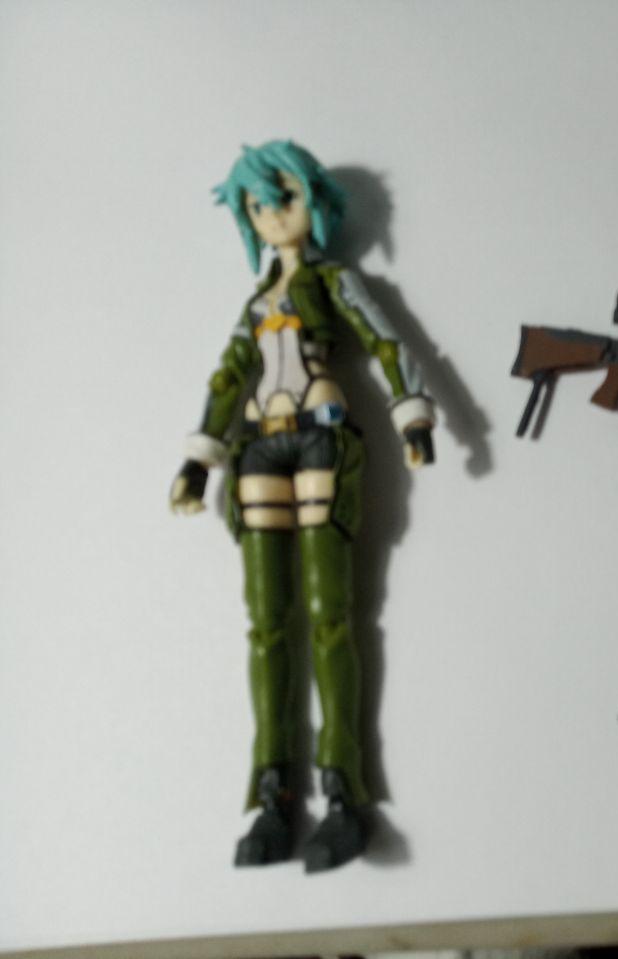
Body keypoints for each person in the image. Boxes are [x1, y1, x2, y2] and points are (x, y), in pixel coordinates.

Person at [169, 140, 435, 872]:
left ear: (313, 201)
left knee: (330, 616)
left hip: (321, 438)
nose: (271, 214)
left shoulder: (333, 281)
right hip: (257, 448)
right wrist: (197, 460)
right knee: (265, 623)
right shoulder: (255, 303)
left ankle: (344, 790)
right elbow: (228, 377)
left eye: (282, 198)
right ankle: (272, 792)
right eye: (257, 205)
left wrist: (413, 416)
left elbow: (384, 341)